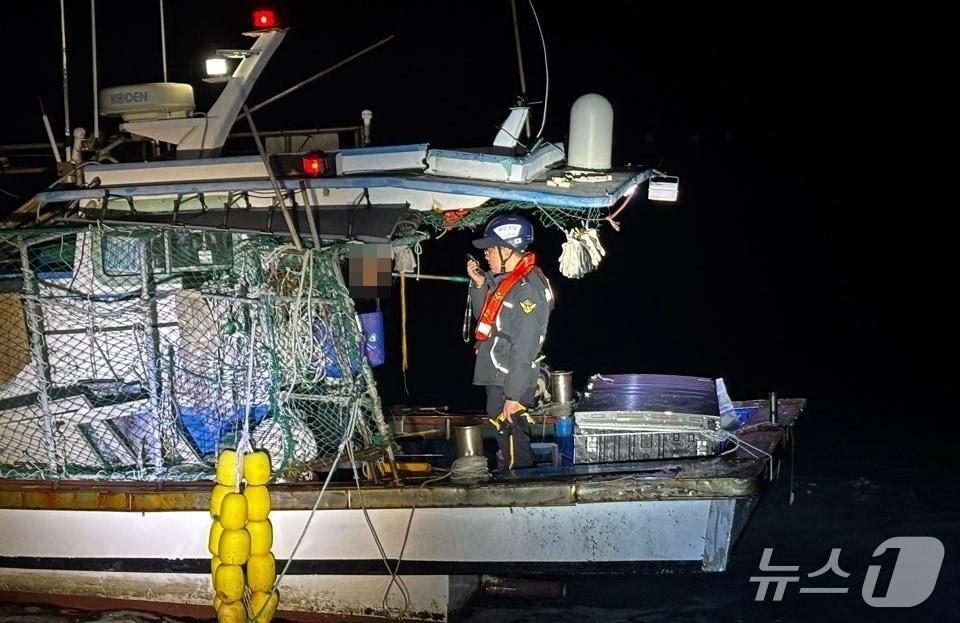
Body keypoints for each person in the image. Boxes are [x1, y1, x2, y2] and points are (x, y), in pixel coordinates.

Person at [466, 214, 553, 469]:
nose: (487, 255)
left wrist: (513, 395)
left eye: (491, 249)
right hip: (499, 373)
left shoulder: (526, 290)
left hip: (510, 378)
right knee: (505, 435)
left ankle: (521, 488)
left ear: (508, 250)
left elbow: (525, 347)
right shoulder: (506, 283)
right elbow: (487, 320)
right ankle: (513, 476)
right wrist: (480, 285)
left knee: (513, 435)